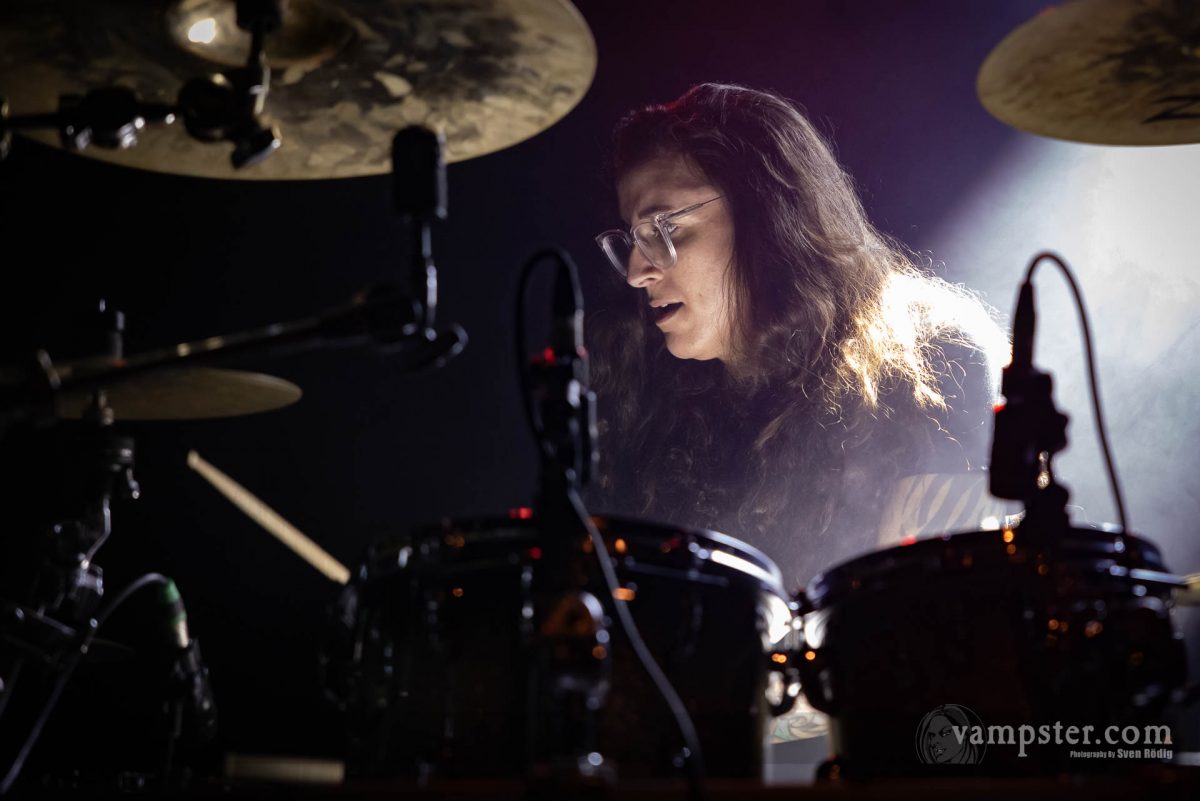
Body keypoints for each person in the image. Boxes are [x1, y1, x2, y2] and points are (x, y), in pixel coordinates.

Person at [590, 83, 1013, 592]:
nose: (637, 272)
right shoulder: (658, 403)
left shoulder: (931, 356)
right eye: (633, 239)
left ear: (766, 213)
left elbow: (940, 610)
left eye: (665, 228)